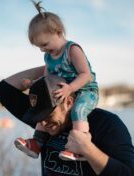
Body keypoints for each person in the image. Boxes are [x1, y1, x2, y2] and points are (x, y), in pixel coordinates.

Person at [0, 72, 134, 176]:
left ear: (68, 102)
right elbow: (3, 90)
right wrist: (51, 67)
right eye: (38, 117)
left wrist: (87, 149)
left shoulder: (106, 124)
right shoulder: (44, 123)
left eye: (47, 116)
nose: (42, 123)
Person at [14, 1, 99, 161]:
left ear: (58, 32)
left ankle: (80, 148)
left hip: (85, 91)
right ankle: (37, 143)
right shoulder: (48, 56)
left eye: (45, 44)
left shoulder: (72, 50)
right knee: (43, 107)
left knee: (78, 110)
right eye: (39, 47)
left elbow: (86, 75)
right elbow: (47, 78)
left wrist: (70, 88)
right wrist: (33, 84)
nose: (43, 49)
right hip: (63, 92)